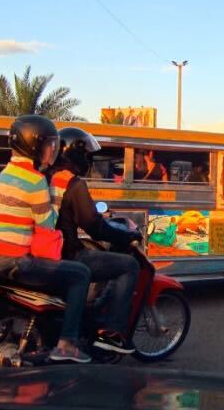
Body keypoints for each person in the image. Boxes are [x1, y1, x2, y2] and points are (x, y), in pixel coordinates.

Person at [0, 115, 92, 363]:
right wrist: (57, 197)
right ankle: (66, 344)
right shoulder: (35, 181)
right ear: (34, 146)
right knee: (80, 274)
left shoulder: (4, 174)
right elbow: (47, 225)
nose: (53, 151)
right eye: (49, 145)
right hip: (12, 261)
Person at [48, 127, 141, 354]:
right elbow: (95, 227)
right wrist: (126, 235)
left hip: (46, 251)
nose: (88, 160)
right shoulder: (73, 183)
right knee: (129, 266)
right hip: (68, 253)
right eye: (87, 155)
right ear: (76, 154)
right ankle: (113, 332)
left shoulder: (49, 177)